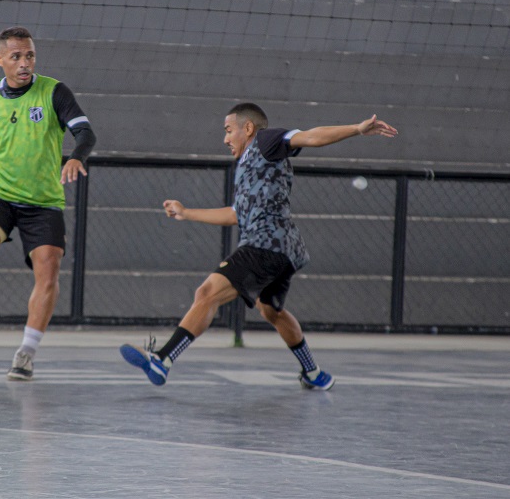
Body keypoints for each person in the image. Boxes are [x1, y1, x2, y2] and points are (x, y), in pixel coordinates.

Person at [120, 102, 397, 390]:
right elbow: (235, 215)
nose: (225, 139)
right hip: (286, 251)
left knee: (207, 292)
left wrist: (356, 129)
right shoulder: (250, 166)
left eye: (229, 131)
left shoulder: (266, 141)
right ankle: (313, 373)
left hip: (265, 245)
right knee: (271, 311)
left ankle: (163, 360)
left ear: (248, 128)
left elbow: (311, 136)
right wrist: (187, 212)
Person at [0, 26, 96, 381]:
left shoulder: (54, 92)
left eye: (29, 56)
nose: (25, 63)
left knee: (49, 267)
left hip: (42, 199)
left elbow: (86, 132)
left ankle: (26, 353)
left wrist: (78, 157)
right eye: (16, 57)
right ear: (0, 60)